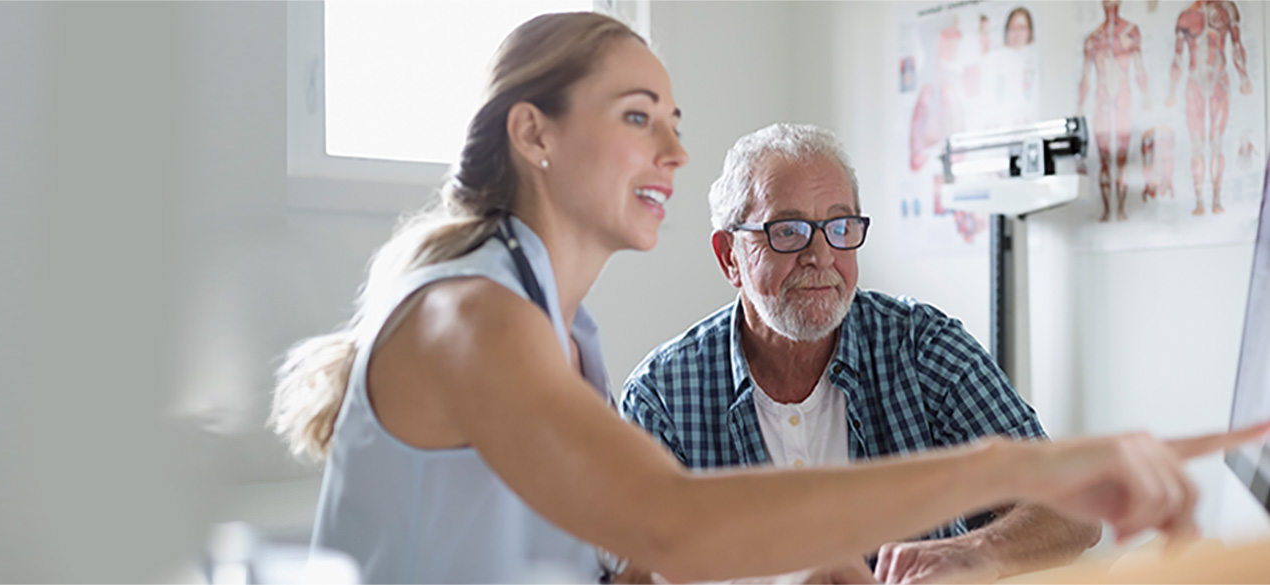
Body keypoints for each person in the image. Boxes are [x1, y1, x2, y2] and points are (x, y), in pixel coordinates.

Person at [269, 11, 1270, 585]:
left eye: (672, 119)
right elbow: (669, 524)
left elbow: (610, 562)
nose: (672, 149)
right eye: (636, 117)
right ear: (535, 135)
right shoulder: (475, 317)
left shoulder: (551, 326)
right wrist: (1010, 464)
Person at [619, 124, 1100, 584]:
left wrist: (975, 554)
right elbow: (635, 572)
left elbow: (1075, 508)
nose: (821, 256)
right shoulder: (662, 395)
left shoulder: (923, 348)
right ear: (730, 257)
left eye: (840, 226)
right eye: (788, 231)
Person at [1167, 0, 1251, 216]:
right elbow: (1178, 56)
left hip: (1219, 83)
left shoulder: (1227, 9)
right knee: (1197, 144)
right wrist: (1171, 90)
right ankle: (1199, 201)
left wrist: (1244, 78)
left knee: (1216, 142)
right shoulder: (1186, 16)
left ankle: (1216, 198)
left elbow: (1237, 44)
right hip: (1195, 83)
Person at [1081, 0, 1151, 223]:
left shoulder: (1130, 32)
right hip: (1101, 102)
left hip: (1122, 100)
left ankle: (1120, 209)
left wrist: (1148, 98)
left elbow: (1139, 68)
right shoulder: (1093, 39)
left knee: (1122, 160)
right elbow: (1085, 78)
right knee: (1103, 160)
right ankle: (1106, 210)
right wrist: (1077, 108)